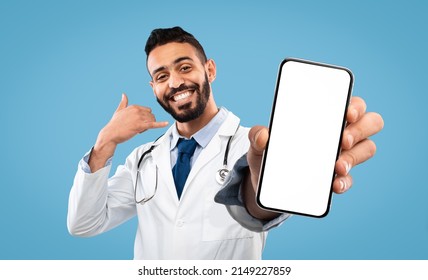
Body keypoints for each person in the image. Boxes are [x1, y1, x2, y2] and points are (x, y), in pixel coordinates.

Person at [67, 26, 384, 259]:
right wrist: (105, 142)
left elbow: (256, 205)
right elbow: (84, 223)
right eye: (162, 76)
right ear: (153, 88)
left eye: (185, 67)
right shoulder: (143, 159)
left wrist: (263, 189)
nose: (175, 82)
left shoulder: (254, 145)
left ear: (210, 70)